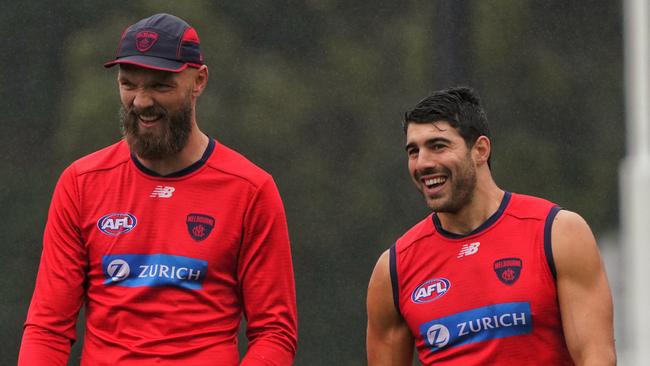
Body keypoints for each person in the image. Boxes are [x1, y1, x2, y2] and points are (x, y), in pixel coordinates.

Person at [18, 13, 297, 366]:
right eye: (129, 84)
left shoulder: (251, 190)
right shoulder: (80, 183)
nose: (141, 101)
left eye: (160, 86)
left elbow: (274, 333)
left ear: (199, 80)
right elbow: (47, 328)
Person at [366, 87, 616, 365]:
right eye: (414, 151)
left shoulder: (557, 232)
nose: (423, 163)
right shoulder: (393, 269)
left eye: (438, 146)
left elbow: (597, 358)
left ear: (481, 150)